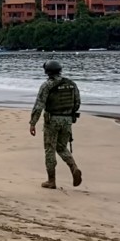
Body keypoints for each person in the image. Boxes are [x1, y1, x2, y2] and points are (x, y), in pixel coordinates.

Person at [29, 60, 83, 189]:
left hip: (52, 120)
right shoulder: (71, 84)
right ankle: (74, 167)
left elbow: (39, 106)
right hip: (67, 120)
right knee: (62, 147)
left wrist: (33, 123)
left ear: (47, 71)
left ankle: (51, 181)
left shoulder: (47, 85)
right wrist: (70, 115)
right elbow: (77, 103)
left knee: (50, 149)